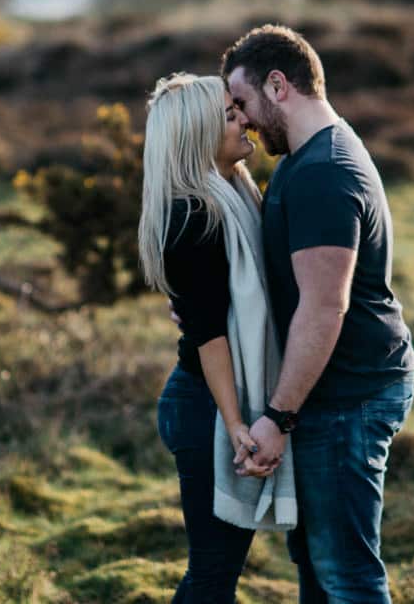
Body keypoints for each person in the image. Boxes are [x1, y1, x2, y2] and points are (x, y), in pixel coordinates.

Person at [221, 25, 414, 604]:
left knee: (345, 576)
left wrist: (277, 418)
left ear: (278, 85)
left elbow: (323, 308)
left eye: (243, 102)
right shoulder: (308, 158)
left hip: (346, 399)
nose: (243, 120)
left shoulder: (324, 173)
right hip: (332, 393)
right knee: (316, 565)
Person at [139, 73, 296, 603]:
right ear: (198, 137)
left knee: (217, 572)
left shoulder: (237, 193)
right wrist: (236, 424)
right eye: (230, 117)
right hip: (205, 406)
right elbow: (210, 337)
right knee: (213, 574)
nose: (245, 120)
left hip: (212, 397)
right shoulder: (195, 215)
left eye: (238, 110)